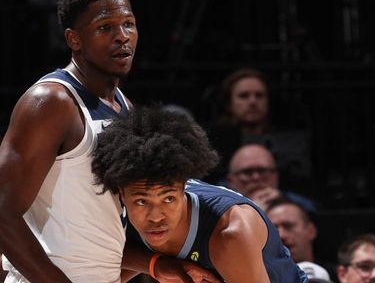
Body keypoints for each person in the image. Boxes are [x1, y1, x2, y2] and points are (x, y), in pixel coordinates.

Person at [0, 0, 209, 282]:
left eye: (128, 24)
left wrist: (155, 265)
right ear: (74, 39)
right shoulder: (51, 102)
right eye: (105, 28)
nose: (122, 36)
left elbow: (100, 236)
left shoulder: (123, 106)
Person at [91, 104, 307, 282]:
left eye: (168, 198)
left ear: (185, 186)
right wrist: (155, 264)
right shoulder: (117, 215)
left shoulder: (230, 235)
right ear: (121, 195)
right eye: (141, 201)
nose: (156, 216)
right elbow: (93, 267)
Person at [225, 143, 316, 213]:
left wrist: (281, 202)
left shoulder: (297, 203)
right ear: (230, 180)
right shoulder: (218, 209)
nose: (256, 177)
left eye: (263, 171)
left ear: (276, 177)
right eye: (247, 172)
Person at [267, 198, 318, 263]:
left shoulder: (332, 272)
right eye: (273, 230)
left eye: (288, 226)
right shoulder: (256, 273)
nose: (281, 235)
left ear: (311, 231)